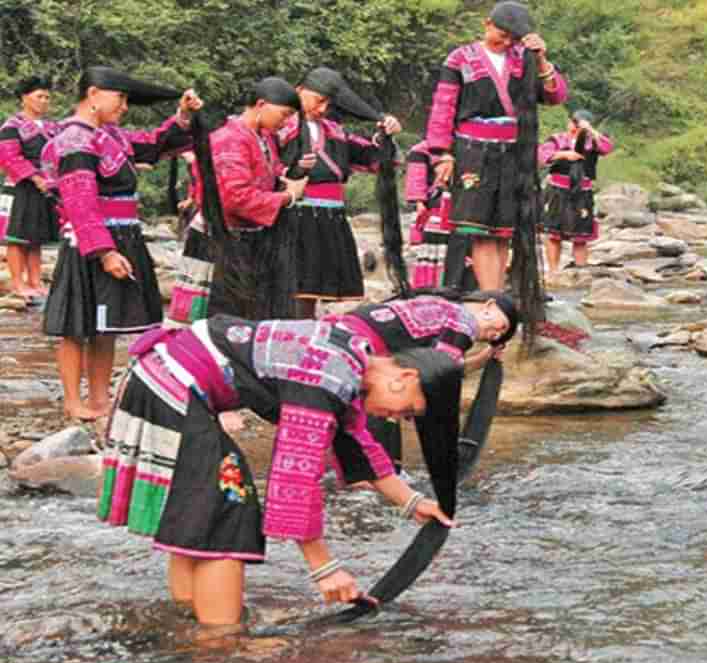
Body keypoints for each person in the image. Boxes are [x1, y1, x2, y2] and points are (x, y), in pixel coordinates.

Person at [97, 314, 459, 625]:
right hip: (171, 386)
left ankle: (189, 624)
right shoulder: (330, 373)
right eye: (408, 410)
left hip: (160, 375)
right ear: (405, 378)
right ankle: (219, 644)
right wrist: (324, 568)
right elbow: (296, 473)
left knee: (203, 512)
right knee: (230, 508)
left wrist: (412, 502)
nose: (398, 419)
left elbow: (354, 441)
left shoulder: (354, 356)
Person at [41, 66, 200, 420]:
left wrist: (184, 116)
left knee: (105, 325)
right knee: (75, 325)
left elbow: (156, 143)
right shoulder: (75, 140)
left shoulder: (111, 135)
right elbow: (80, 200)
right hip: (91, 240)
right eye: (121, 97)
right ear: (94, 95)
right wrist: (104, 251)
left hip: (123, 235)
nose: (125, 106)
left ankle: (99, 399)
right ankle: (72, 401)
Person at [425, 0, 568, 300]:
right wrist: (442, 153)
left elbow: (555, 96)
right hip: (473, 152)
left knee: (504, 229)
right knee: (480, 229)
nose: (506, 42)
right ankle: (491, 296)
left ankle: (497, 293)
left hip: (514, 154)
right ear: (487, 24)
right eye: (501, 34)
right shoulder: (460, 59)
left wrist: (541, 60)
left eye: (512, 38)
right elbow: (443, 108)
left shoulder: (523, 58)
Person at [328, 289, 520, 482]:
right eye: (501, 328)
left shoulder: (444, 308)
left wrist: (484, 357)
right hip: (353, 353)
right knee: (380, 446)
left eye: (499, 337)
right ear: (489, 306)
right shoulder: (464, 323)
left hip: (336, 341)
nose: (495, 336)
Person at [167, 78, 308, 328]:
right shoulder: (230, 139)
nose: (285, 122)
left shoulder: (261, 137)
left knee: (243, 321)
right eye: (284, 114)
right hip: (220, 241)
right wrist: (289, 196)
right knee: (215, 323)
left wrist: (282, 179)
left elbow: (267, 175)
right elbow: (234, 198)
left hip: (247, 240)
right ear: (261, 104)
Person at [279, 67, 402, 319]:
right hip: (295, 212)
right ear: (299, 90)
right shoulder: (280, 126)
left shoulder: (334, 130)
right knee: (292, 283)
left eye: (328, 102)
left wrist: (385, 135)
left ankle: (305, 331)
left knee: (312, 288)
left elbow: (375, 159)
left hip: (330, 215)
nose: (323, 108)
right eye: (319, 100)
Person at [0, 77, 60, 301]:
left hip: (46, 186)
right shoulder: (12, 126)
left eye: (47, 97)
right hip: (21, 185)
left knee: (36, 237)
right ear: (24, 98)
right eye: (39, 97)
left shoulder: (52, 127)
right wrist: (34, 177)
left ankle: (35, 281)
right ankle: (18, 283)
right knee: (17, 237)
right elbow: (9, 157)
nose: (44, 101)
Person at [539, 109, 613, 272]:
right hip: (557, 190)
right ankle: (553, 271)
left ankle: (580, 270)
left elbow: (607, 147)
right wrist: (564, 154)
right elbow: (541, 155)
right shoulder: (557, 139)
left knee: (581, 236)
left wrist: (591, 131)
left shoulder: (592, 141)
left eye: (578, 123)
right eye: (574, 121)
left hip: (582, 191)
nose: (574, 125)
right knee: (553, 233)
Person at [404, 139, 453, 290]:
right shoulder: (420, 151)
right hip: (433, 210)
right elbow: (416, 180)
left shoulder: (463, 145)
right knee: (431, 251)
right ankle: (427, 286)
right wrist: (419, 202)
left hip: (457, 208)